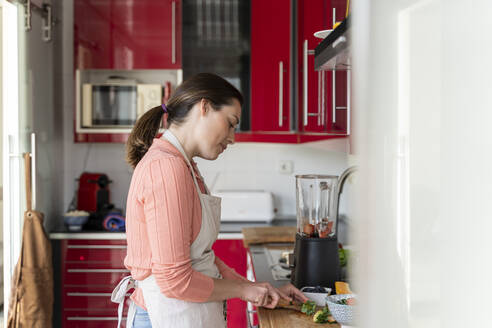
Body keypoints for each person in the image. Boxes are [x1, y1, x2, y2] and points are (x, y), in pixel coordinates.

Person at [111, 73, 308, 328]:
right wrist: (243, 291)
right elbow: (174, 281)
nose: (232, 137)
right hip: (162, 317)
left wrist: (255, 287)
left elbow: (201, 255)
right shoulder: (167, 168)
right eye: (230, 123)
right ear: (203, 107)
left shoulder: (185, 166)